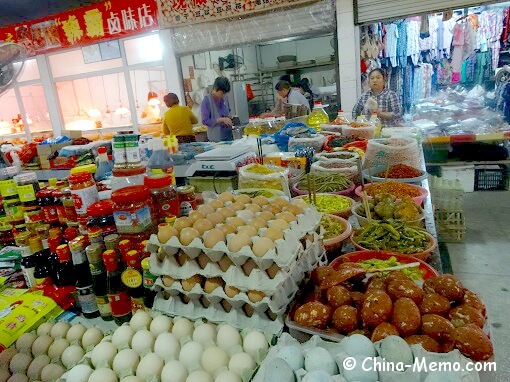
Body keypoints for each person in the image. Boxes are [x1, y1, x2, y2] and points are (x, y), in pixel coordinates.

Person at [201, 77, 233, 142]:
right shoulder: (207, 101)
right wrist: (221, 120)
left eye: (225, 93)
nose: (223, 95)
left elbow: (228, 111)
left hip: (228, 136)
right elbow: (205, 121)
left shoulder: (225, 98)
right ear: (215, 88)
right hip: (215, 140)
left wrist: (229, 118)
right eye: (222, 93)